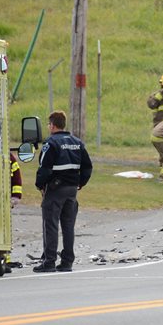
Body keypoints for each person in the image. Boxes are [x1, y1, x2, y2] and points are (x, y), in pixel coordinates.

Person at [34, 111, 92, 273]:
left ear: (52, 125)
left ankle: (49, 261)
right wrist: (81, 183)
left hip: (55, 189)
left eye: (48, 124)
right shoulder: (77, 142)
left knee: (51, 225)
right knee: (68, 226)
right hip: (72, 190)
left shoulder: (51, 143)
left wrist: (40, 184)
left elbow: (44, 168)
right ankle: (67, 262)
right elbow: (87, 166)